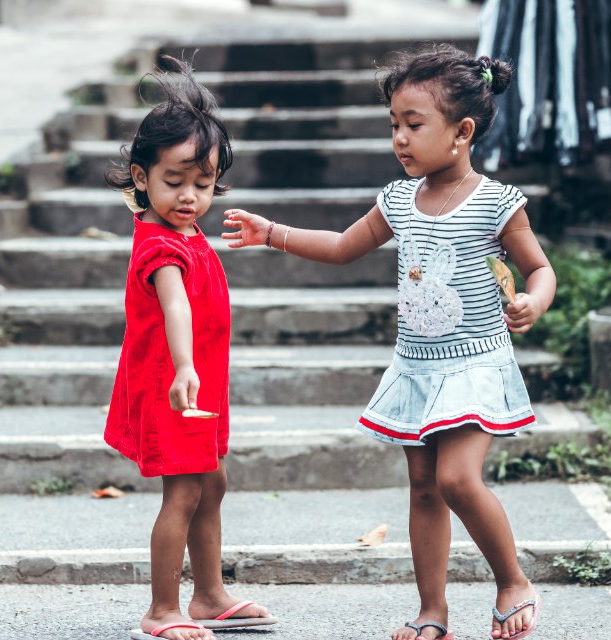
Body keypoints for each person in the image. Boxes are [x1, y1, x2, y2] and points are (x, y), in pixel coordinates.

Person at [222, 45, 555, 640]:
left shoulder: (495, 203)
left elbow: (541, 269)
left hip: (475, 362)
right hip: (418, 366)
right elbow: (342, 246)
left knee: (456, 479)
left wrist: (534, 300)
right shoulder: (399, 200)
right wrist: (272, 233)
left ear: (463, 132)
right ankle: (432, 612)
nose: (399, 138)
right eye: (393, 125)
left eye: (414, 125)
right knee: (423, 487)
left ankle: (512, 580)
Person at [104, 57, 277, 640]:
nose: (189, 197)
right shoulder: (159, 247)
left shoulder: (184, 232)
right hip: (173, 384)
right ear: (140, 176)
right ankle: (162, 608)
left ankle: (209, 595)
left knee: (212, 482)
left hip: (199, 383)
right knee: (183, 491)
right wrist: (183, 366)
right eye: (174, 181)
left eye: (203, 185)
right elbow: (174, 303)